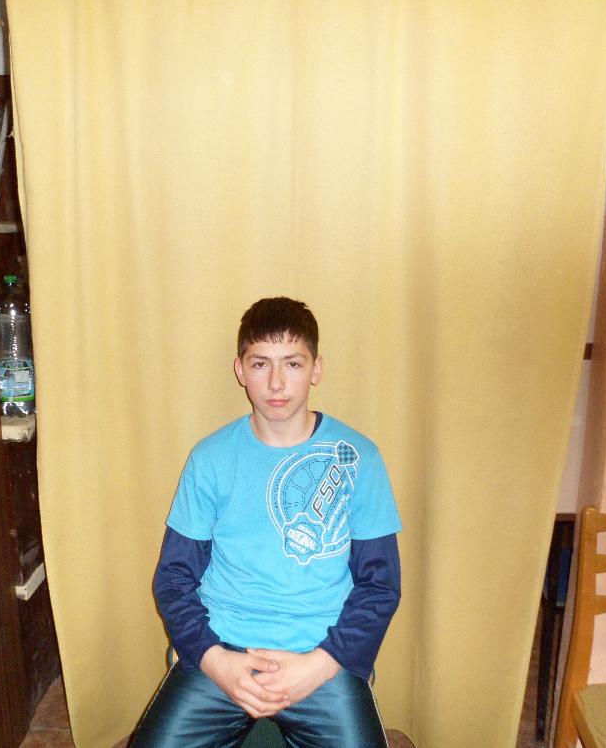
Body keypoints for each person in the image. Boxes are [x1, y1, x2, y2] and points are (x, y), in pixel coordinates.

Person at [130, 297, 402, 748]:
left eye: (292, 363)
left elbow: (380, 586)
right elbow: (174, 578)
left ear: (316, 369)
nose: (276, 382)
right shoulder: (211, 458)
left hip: (320, 658)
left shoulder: (360, 458)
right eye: (261, 364)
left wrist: (321, 664)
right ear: (240, 370)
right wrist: (215, 661)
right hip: (224, 652)